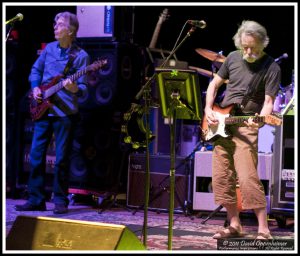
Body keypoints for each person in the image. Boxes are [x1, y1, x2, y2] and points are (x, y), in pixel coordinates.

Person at [204, 20, 280, 239]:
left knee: (248, 178)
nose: (248, 52)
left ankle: (263, 229)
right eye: (245, 47)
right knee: (221, 177)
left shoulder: (271, 67)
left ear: (263, 44)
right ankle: (235, 224)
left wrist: (261, 119)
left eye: (253, 48)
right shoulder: (232, 57)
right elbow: (214, 84)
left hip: (246, 125)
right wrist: (209, 108)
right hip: (221, 123)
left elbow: (268, 103)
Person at [15, 11, 90, 214]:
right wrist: (35, 87)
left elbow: (83, 88)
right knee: (36, 156)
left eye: (59, 24)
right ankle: (36, 198)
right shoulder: (49, 49)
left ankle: (60, 200)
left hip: (65, 113)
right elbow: (35, 71)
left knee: (61, 159)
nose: (55, 27)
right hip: (43, 111)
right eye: (55, 24)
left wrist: (75, 88)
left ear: (71, 30)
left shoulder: (81, 57)